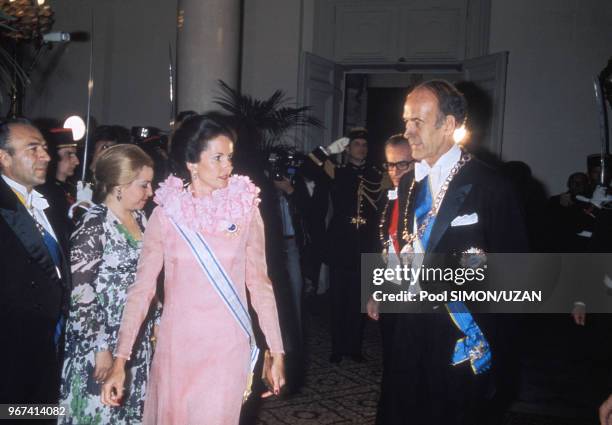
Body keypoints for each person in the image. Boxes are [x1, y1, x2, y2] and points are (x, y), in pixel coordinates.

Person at [101, 113, 285, 424]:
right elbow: (142, 288)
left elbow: (260, 284)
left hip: (228, 345)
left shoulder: (246, 210)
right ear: (191, 163)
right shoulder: (166, 214)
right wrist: (121, 359)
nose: (227, 167)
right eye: (217, 158)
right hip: (178, 346)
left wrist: (277, 351)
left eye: (230, 157)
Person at [377, 80, 528, 425]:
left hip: (463, 334)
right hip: (408, 332)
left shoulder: (492, 185)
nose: (407, 132)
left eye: (418, 122)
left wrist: (498, 347)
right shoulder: (406, 184)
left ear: (448, 125)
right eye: (406, 121)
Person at [59, 144, 157, 424]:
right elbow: (81, 294)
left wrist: (157, 318)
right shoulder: (94, 224)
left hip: (135, 336)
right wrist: (99, 347)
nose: (150, 193)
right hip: (100, 342)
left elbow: (151, 278)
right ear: (119, 186)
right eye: (144, 185)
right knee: (99, 413)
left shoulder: (141, 218)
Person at [0, 118, 71, 406]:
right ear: (4, 157)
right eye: (33, 148)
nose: (46, 156)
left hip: (48, 346)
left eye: (44, 147)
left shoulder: (50, 202)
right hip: (10, 351)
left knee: (39, 415)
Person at [312, 128, 384, 363]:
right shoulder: (337, 171)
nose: (361, 148)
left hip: (366, 241)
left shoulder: (378, 174)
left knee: (360, 296)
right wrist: (329, 150)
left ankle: (354, 347)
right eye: (356, 144)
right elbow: (307, 166)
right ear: (348, 148)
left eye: (364, 144)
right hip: (341, 241)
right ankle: (337, 346)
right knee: (339, 297)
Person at [366, 134, 413, 371]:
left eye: (402, 164)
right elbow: (383, 248)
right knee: (392, 356)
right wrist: (376, 292)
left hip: (417, 293)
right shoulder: (388, 198)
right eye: (390, 164)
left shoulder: (423, 200)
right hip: (392, 287)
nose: (395, 171)